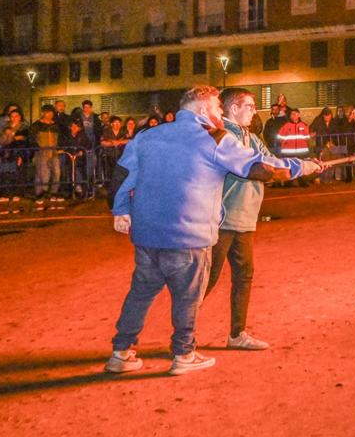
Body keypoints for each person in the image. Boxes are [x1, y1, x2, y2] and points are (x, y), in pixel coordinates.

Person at [105, 86, 320, 375]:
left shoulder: (147, 136)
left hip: (147, 235)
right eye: (219, 108)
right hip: (189, 235)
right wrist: (300, 167)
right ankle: (183, 354)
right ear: (204, 110)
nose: (221, 114)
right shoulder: (215, 138)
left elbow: (123, 175)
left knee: (140, 293)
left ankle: (121, 352)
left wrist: (120, 210)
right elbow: (260, 168)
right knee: (188, 297)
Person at [204, 88, 319, 351]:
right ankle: (182, 337)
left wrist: (307, 164)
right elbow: (261, 169)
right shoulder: (223, 138)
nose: (254, 111)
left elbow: (271, 160)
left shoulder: (252, 137)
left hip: (244, 219)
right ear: (233, 108)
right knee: (206, 278)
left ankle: (237, 334)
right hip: (221, 220)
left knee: (244, 275)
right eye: (249, 105)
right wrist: (302, 169)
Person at [28, 104, 62, 205]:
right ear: (43, 113)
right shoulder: (36, 125)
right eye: (47, 112)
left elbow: (60, 139)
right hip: (41, 152)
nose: (49, 114)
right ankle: (40, 194)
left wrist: (59, 148)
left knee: (57, 172)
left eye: (51, 112)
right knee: (42, 173)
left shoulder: (55, 125)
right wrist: (37, 149)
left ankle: (53, 193)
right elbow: (31, 139)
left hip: (54, 151)